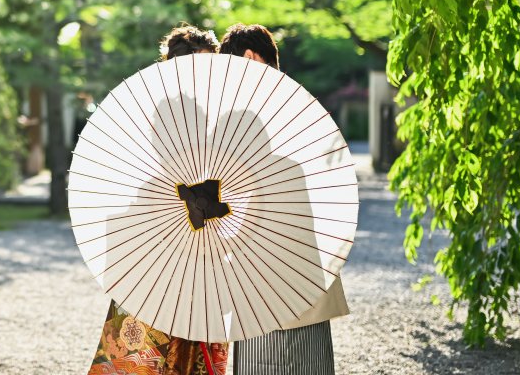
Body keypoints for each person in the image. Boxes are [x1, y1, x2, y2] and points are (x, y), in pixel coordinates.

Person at [86, 23, 228, 375]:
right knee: (147, 343)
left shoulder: (203, 107)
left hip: (192, 226)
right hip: (161, 218)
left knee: (187, 345)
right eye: (206, 64)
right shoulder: (170, 107)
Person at [218, 23, 349, 375]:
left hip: (271, 261)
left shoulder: (260, 104)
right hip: (291, 259)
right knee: (296, 357)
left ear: (249, 57)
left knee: (273, 358)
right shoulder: (290, 103)